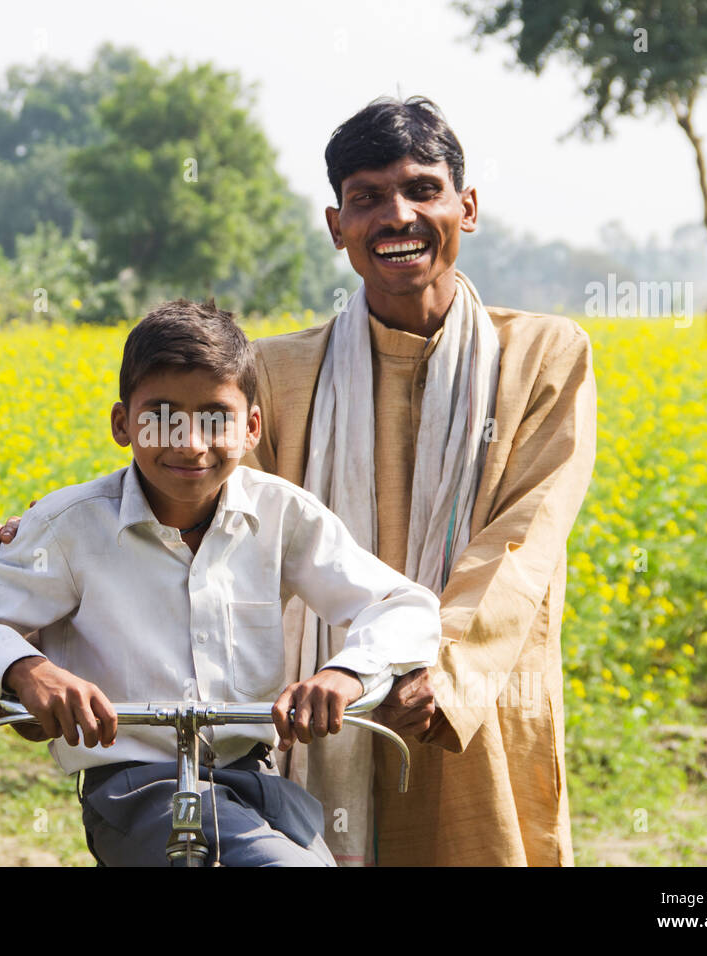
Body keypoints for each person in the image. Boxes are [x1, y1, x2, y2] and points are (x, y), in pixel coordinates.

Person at [0, 300, 441, 866]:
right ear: (121, 423)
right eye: (161, 415)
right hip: (133, 789)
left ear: (251, 426)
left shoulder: (282, 515)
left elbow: (405, 605)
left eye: (215, 417)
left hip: (255, 782)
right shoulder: (70, 527)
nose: (189, 443)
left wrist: (345, 673)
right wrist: (26, 669)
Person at [246, 96, 598, 865]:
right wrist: (44, 536)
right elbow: (216, 513)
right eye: (367, 198)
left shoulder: (545, 355)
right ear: (337, 225)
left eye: (421, 190)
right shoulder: (275, 374)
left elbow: (525, 538)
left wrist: (446, 668)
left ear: (466, 208)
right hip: (318, 704)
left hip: (473, 697)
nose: (396, 216)